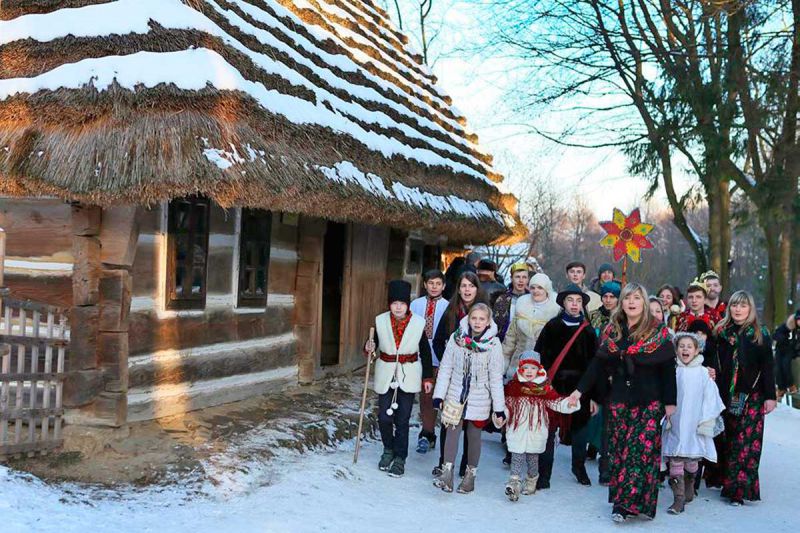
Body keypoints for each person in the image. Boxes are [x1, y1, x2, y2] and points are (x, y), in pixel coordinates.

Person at [569, 283, 676, 522]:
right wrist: (579, 391)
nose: (631, 302)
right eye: (627, 298)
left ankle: (628, 504)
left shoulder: (658, 333)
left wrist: (670, 402)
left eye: (637, 298)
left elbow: (668, 369)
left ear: (644, 303)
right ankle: (622, 499)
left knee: (639, 453)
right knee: (620, 452)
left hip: (649, 401)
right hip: (619, 399)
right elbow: (597, 365)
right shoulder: (613, 331)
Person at [432, 303, 506, 494]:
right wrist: (439, 395)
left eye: (482, 319)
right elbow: (446, 367)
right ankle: (446, 473)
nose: (477, 322)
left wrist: (499, 407)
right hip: (455, 394)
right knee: (452, 432)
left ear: (488, 321)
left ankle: (470, 475)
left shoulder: (493, 345)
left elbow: (496, 377)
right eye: (474, 318)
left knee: (474, 437)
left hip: (479, 397)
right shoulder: (456, 339)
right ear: (468, 318)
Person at [364, 280, 433, 477]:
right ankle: (388, 450)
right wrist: (368, 347)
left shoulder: (418, 323)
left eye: (401, 303)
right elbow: (372, 344)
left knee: (402, 419)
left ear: (407, 304)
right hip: (386, 372)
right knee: (384, 417)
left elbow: (425, 352)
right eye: (394, 303)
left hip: (409, 373)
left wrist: (427, 378)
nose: (398, 307)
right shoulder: (380, 321)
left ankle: (400, 458)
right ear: (389, 304)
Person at [715, 290, 777, 506]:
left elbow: (768, 367)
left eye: (743, 306)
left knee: (746, 443)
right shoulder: (722, 332)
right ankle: (726, 481)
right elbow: (714, 360)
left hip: (752, 395)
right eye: (734, 305)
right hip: (727, 394)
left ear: (750, 309)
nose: (738, 309)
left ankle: (740, 490)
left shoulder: (759, 335)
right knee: (730, 440)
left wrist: (770, 396)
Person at [534, 283, 598, 488]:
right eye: (570, 300)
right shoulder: (552, 326)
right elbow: (539, 357)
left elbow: (595, 365)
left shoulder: (588, 331)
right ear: (563, 303)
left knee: (580, 431)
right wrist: (539, 386)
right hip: (553, 386)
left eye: (578, 301)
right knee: (549, 431)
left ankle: (578, 467)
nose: (574, 304)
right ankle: (544, 474)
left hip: (580, 389)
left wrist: (593, 396)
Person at [432, 271, 489, 476]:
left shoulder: (484, 312)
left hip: (476, 379)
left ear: (477, 289)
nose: (467, 290)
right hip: (455, 377)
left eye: (471, 286)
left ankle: (466, 466)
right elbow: (438, 341)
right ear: (458, 288)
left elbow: (492, 344)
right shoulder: (451, 311)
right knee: (450, 421)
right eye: (463, 286)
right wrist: (450, 360)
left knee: (471, 426)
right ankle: (444, 463)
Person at [661, 332, 725, 515]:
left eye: (689, 346)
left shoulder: (704, 373)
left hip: (694, 425)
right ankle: (678, 499)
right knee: (675, 458)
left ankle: (690, 484)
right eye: (681, 346)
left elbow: (711, 398)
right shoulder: (672, 370)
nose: (685, 349)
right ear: (676, 349)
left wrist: (707, 421)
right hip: (675, 423)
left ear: (697, 350)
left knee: (691, 461)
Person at [503, 351, 580, 501]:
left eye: (533, 368)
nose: (530, 371)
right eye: (526, 368)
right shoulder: (514, 387)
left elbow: (555, 402)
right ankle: (514, 483)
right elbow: (507, 405)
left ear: (538, 369)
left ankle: (532, 479)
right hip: (517, 428)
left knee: (532, 458)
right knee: (516, 456)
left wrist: (569, 403)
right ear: (520, 369)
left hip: (536, 430)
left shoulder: (545, 388)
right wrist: (501, 417)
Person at [410, 269, 449, 454]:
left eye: (438, 284)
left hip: (437, 357)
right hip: (416, 354)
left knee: (430, 396)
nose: (434, 287)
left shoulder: (448, 307)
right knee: (418, 396)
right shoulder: (415, 305)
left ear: (444, 286)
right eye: (430, 283)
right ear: (424, 284)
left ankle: (427, 433)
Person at [502, 272, 560, 379]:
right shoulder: (521, 307)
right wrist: (503, 364)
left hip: (543, 368)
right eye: (532, 287)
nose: (536, 291)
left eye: (540, 288)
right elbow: (510, 340)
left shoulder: (556, 312)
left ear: (546, 289)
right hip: (518, 365)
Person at [493, 262, 530, 342]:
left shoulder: (532, 299)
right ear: (511, 278)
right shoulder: (502, 299)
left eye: (524, 277)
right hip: (504, 342)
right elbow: (495, 325)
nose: (521, 280)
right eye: (517, 277)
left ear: (528, 279)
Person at [774, 309, 800, 399]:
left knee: (786, 365)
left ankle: (791, 385)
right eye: (799, 320)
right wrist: (782, 338)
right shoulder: (788, 325)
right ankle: (781, 388)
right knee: (778, 367)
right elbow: (776, 334)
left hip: (791, 351)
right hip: (781, 349)